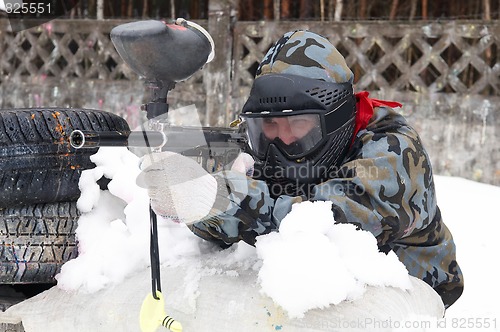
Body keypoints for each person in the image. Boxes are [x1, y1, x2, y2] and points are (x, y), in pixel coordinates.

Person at [138, 30, 463, 308]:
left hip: (408, 302)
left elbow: (320, 224)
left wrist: (219, 197)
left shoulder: (395, 154)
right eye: (269, 125)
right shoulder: (256, 138)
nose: (282, 139)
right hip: (307, 297)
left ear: (337, 119)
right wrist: (188, 186)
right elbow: (225, 225)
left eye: (298, 124)